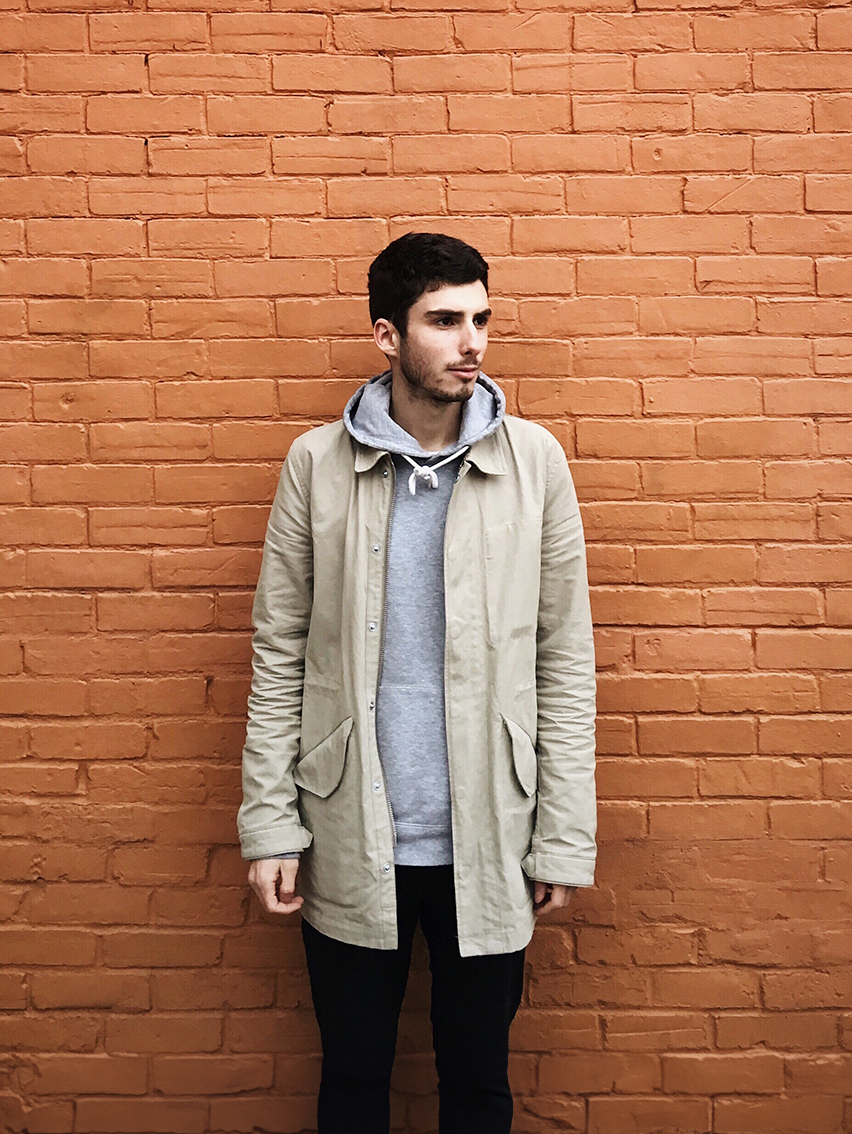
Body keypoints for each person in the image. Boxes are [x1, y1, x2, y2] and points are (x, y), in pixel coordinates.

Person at [237, 231, 597, 1133]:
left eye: (481, 318)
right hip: (350, 831)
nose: (472, 342)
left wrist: (562, 835)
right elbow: (279, 654)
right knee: (354, 1081)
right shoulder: (316, 466)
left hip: (493, 833)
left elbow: (564, 659)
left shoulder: (535, 464)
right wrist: (271, 823)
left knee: (477, 1083)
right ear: (387, 335)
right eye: (444, 321)